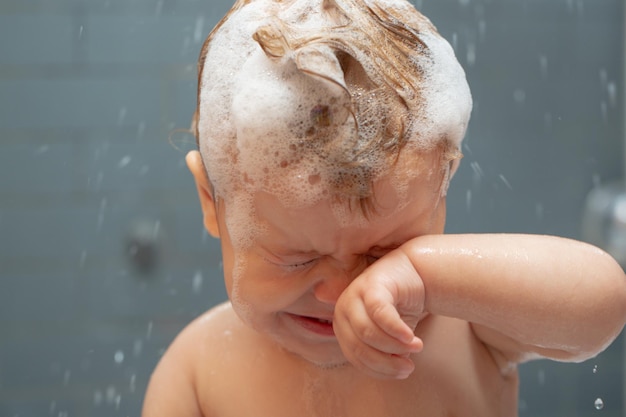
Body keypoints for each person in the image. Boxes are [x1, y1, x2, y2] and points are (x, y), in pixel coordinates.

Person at [142, 0, 626, 415]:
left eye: (384, 252)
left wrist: (422, 277)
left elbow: (604, 304)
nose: (340, 292)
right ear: (212, 202)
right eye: (298, 258)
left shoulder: (466, 324)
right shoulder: (199, 370)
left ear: (442, 191)